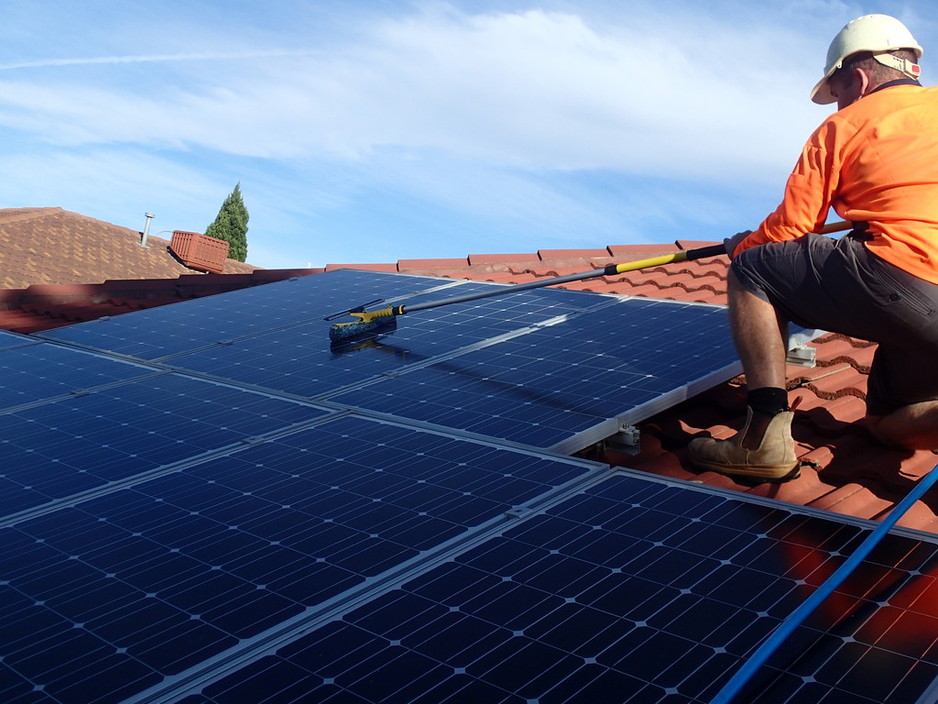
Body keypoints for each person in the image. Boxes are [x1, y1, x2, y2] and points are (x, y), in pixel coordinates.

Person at [688, 13, 938, 482]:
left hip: (908, 280)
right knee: (885, 424)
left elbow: (794, 226)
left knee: (754, 268)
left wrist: (743, 245)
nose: (836, 103)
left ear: (859, 78)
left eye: (838, 90)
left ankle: (762, 436)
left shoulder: (842, 127)